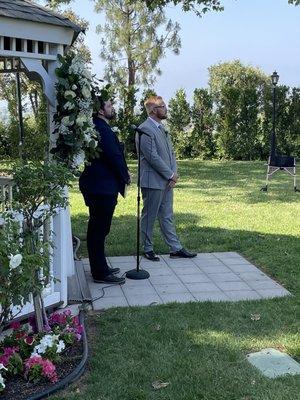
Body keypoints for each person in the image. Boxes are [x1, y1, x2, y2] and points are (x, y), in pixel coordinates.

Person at [137, 95, 196, 261]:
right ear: (154, 110)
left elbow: (171, 153)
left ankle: (175, 248)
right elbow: (152, 157)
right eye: (162, 106)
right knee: (149, 215)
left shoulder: (162, 128)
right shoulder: (145, 129)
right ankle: (147, 248)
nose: (166, 109)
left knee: (167, 215)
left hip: (167, 181)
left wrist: (173, 175)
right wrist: (170, 174)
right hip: (152, 181)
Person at [79, 96, 130, 283]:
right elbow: (114, 155)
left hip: (98, 185)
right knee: (99, 230)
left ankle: (101, 266)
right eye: (110, 105)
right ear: (101, 110)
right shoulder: (102, 129)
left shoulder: (97, 127)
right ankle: (100, 273)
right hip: (101, 187)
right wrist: (125, 175)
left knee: (98, 229)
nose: (112, 107)